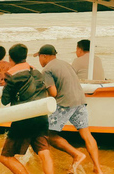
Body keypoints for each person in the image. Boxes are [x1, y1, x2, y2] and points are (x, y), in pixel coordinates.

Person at [37, 44, 103, 174]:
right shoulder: (66, 64)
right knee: (86, 135)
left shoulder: (47, 70)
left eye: (39, 57)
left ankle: (76, 154)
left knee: (49, 135)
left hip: (65, 103)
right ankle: (98, 168)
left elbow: (54, 93)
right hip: (80, 100)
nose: (39, 60)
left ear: (44, 56)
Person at [0, 44, 54, 174]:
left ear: (10, 58)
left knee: (5, 157)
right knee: (44, 153)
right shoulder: (36, 71)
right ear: (25, 56)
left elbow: (4, 100)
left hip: (23, 119)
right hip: (41, 117)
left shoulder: (11, 74)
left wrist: (4, 86)